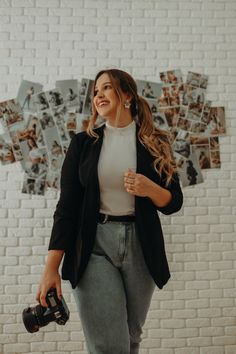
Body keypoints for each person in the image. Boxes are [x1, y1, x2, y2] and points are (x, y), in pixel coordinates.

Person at [36, 69, 183, 354]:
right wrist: (51, 267)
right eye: (95, 92)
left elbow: (173, 201)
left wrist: (149, 188)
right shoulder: (82, 143)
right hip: (93, 244)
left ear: (126, 94)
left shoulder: (155, 142)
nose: (98, 95)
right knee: (108, 344)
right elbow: (66, 208)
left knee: (131, 337)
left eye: (106, 88)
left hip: (142, 245)